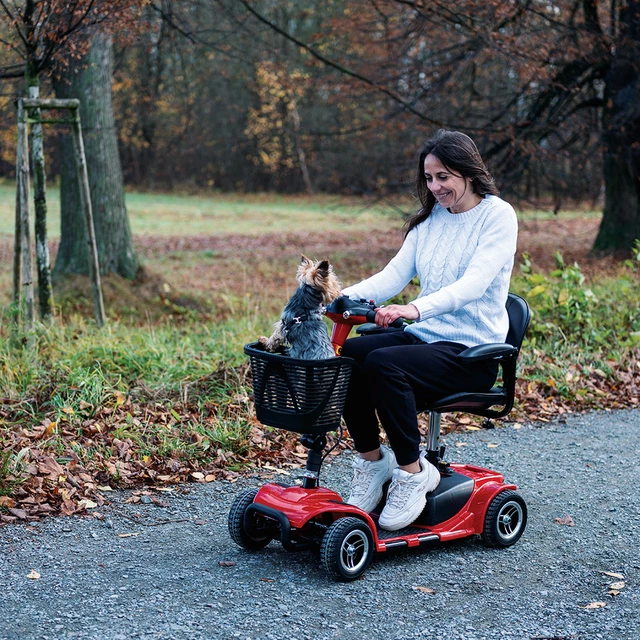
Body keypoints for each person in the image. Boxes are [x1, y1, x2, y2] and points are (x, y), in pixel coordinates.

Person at [340, 129, 518, 531]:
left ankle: (413, 472)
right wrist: (332, 297)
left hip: (472, 351)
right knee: (351, 355)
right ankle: (373, 463)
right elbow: (391, 277)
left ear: (469, 173)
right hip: (427, 339)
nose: (435, 187)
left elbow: (473, 285)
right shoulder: (431, 220)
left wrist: (416, 309)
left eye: (444, 177)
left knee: (385, 363)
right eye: (430, 178)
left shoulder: (498, 216)